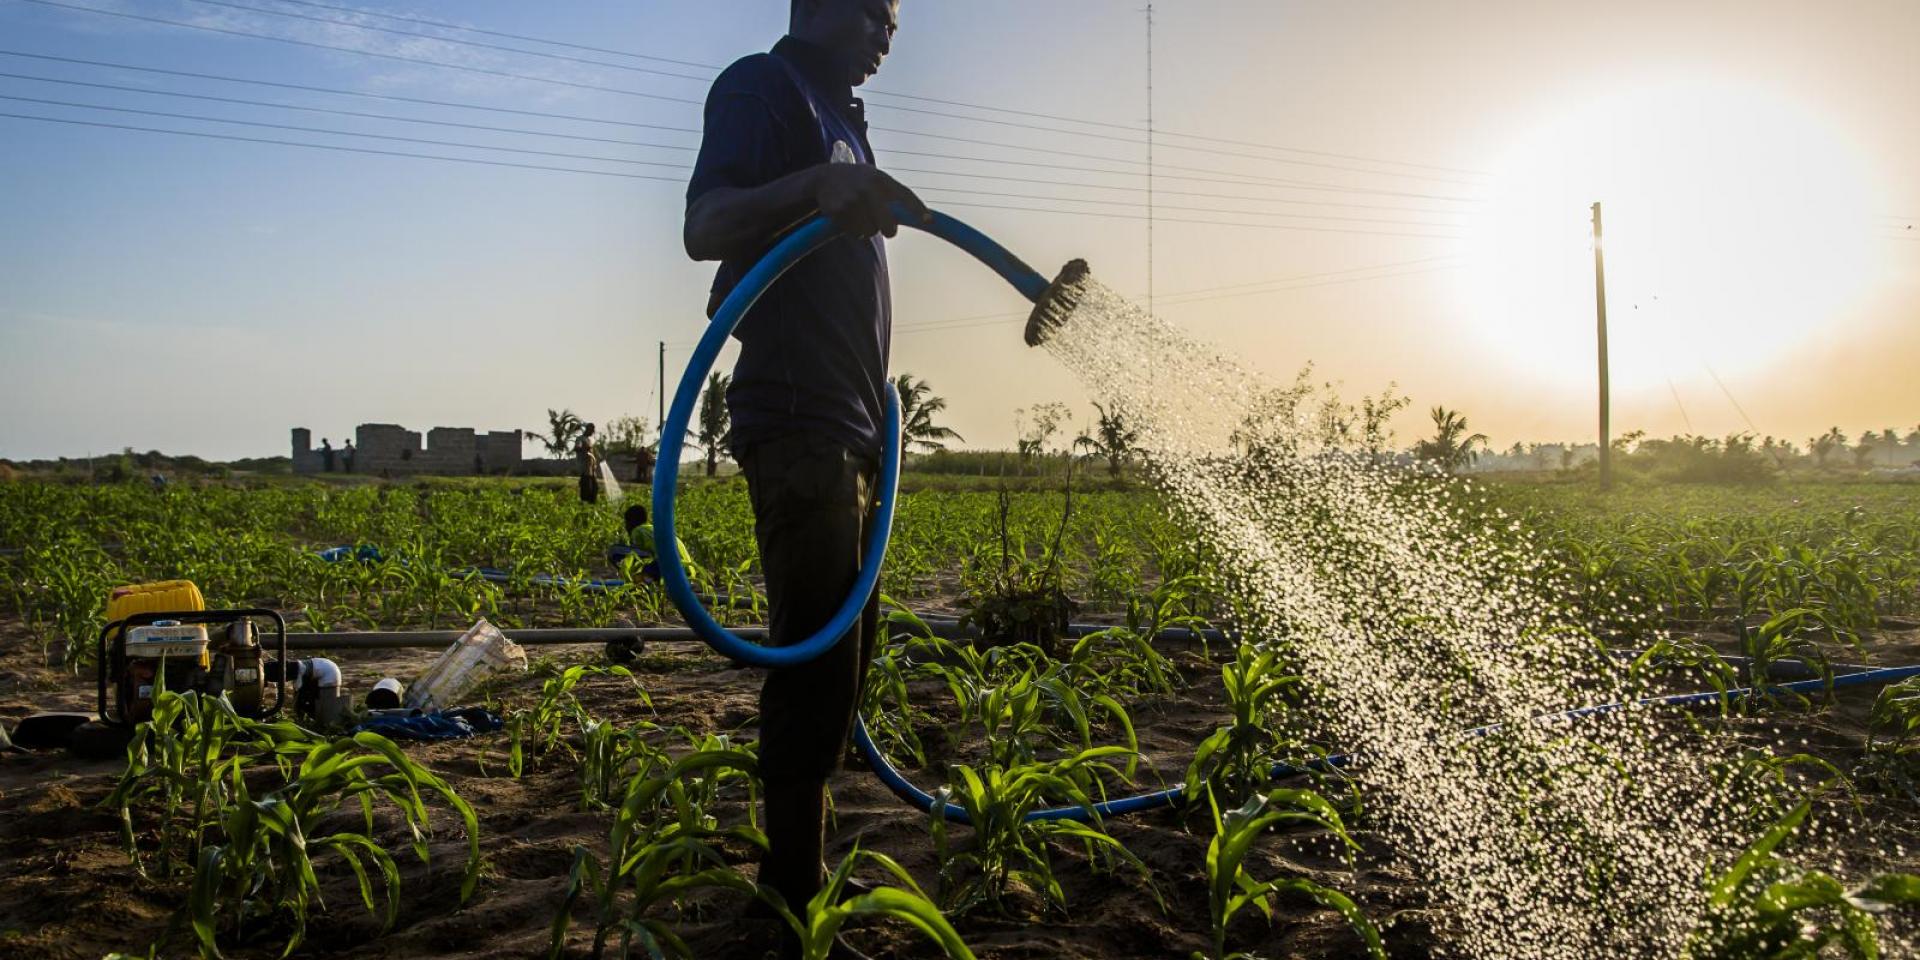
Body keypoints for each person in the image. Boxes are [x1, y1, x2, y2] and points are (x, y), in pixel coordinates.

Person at [683, 0, 923, 951]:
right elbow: (705, 225)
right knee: (816, 660)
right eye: (876, 11)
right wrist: (812, 185)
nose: (888, 34)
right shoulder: (762, 88)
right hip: (797, 418)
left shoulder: (844, 125)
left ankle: (797, 885)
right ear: (819, 4)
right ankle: (787, 904)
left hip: (856, 428)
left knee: (852, 647)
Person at [611, 504, 692, 582]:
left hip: (670, 569)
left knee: (615, 551)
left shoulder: (637, 531)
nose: (625, 527)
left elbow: (636, 558)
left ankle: (641, 580)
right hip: (688, 572)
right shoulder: (654, 529)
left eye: (626, 523)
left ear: (630, 523)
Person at [574, 423, 601, 504]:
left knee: (595, 487)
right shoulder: (580, 439)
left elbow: (593, 452)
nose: (593, 432)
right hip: (584, 467)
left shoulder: (590, 439)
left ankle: (592, 503)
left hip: (591, 467)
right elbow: (576, 448)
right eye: (592, 430)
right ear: (587, 429)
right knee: (585, 486)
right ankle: (584, 503)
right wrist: (584, 448)